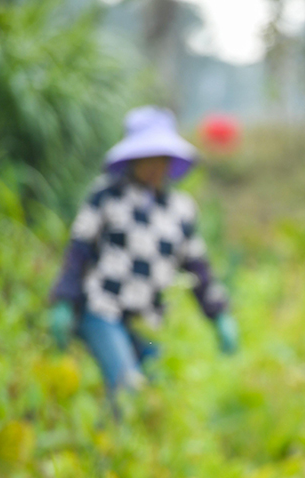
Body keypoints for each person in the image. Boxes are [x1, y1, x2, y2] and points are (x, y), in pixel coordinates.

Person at [48, 106, 237, 404]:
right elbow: (79, 249)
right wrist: (63, 300)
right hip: (103, 309)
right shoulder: (106, 195)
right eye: (145, 158)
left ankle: (114, 442)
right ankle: (114, 447)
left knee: (155, 397)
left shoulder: (180, 209)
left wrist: (220, 315)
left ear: (168, 161)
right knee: (127, 387)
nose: (152, 166)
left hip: (149, 319)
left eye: (158, 158)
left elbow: (197, 267)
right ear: (133, 159)